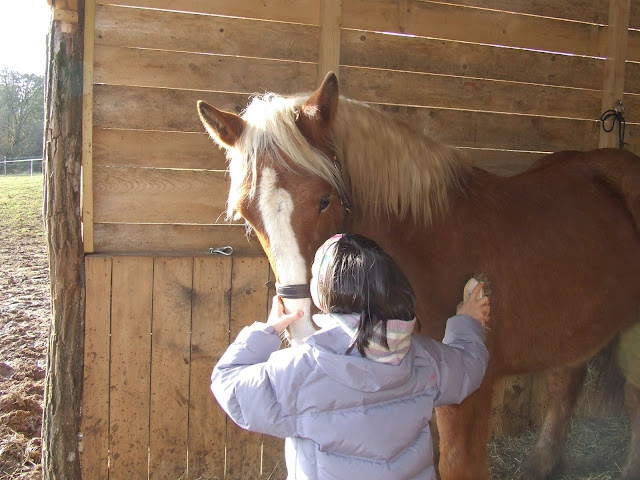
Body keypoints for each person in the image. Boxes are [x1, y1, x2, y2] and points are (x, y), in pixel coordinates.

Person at [211, 233, 490, 480]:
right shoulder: (423, 358)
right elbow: (469, 367)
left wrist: (266, 332)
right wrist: (467, 321)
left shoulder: (301, 371)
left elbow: (229, 384)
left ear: (321, 299)